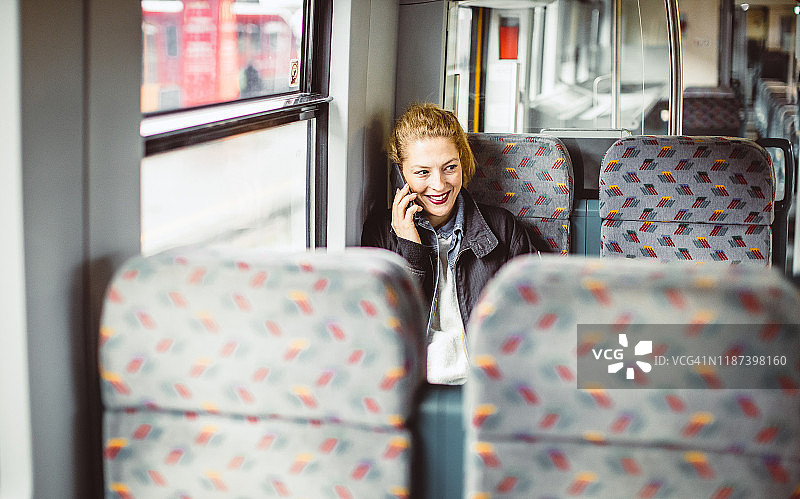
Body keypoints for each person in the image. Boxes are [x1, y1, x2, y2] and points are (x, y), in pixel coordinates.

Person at [361, 103, 549, 384]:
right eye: (422, 172)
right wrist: (412, 255)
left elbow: (539, 313)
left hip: (488, 383)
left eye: (450, 168)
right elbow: (381, 334)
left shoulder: (503, 228)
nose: (439, 185)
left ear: (463, 163)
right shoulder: (381, 233)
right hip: (411, 388)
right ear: (400, 174)